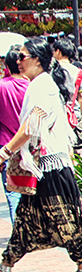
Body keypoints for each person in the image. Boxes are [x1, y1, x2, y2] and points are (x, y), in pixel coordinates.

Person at [0, 38, 82, 272]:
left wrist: (5, 152)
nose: (18, 61)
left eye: (23, 56)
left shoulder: (43, 86)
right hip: (41, 167)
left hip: (51, 167)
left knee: (65, 220)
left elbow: (30, 127)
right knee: (25, 219)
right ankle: (6, 264)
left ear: (37, 59)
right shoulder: (37, 84)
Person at [0, 46, 29, 225]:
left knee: (12, 192)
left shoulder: (2, 86)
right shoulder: (31, 85)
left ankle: (17, 230)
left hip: (6, 145)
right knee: (31, 189)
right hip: (30, 144)